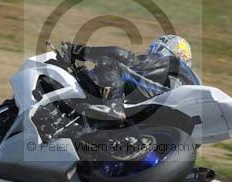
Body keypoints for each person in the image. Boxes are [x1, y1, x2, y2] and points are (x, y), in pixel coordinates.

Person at [64, 35, 200, 122]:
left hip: (163, 101)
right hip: (174, 119)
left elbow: (125, 58)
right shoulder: (192, 80)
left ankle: (114, 108)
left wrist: (79, 51)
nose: (151, 54)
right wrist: (83, 73)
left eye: (155, 50)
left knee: (109, 62)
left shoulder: (173, 62)